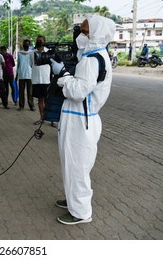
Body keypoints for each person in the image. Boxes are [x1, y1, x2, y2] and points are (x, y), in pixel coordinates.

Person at [49, 15, 115, 225]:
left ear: (97, 32)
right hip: (81, 118)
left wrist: (63, 75)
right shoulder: (98, 55)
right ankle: (72, 200)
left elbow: (77, 91)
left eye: (85, 32)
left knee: (77, 166)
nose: (81, 35)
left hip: (81, 120)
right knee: (72, 164)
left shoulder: (91, 60)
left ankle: (80, 212)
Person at [31, 35, 57, 127]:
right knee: (40, 100)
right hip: (36, 80)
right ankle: (42, 118)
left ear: (44, 42)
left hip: (46, 80)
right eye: (37, 40)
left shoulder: (48, 52)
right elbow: (31, 65)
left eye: (41, 41)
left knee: (48, 101)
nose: (39, 42)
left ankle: (52, 120)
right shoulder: (32, 52)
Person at [16, 39, 34, 111]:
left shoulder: (32, 53)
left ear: (29, 45)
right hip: (21, 74)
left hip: (30, 75)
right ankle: (21, 106)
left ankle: (31, 106)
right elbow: (18, 64)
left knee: (30, 92)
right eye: (24, 43)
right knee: (21, 92)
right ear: (23, 45)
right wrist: (16, 74)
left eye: (27, 43)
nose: (26, 45)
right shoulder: (19, 53)